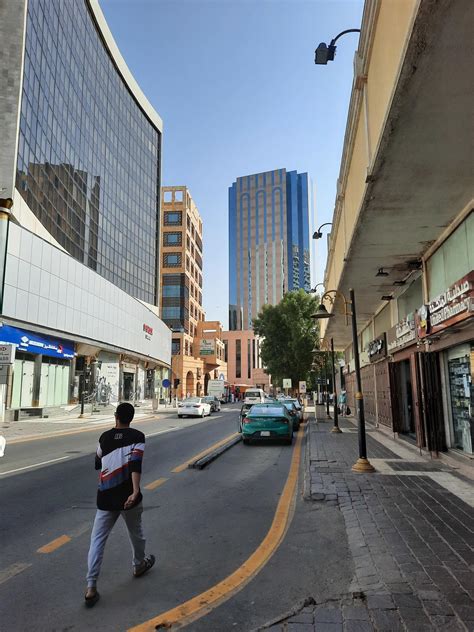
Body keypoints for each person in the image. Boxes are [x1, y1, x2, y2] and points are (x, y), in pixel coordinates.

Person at [85, 402, 155, 607]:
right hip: (127, 498)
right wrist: (135, 491)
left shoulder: (104, 437)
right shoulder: (137, 437)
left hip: (105, 497)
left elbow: (97, 460)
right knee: (136, 534)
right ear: (131, 418)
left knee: (97, 540)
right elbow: (135, 464)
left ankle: (91, 587)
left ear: (116, 416)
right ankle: (139, 565)